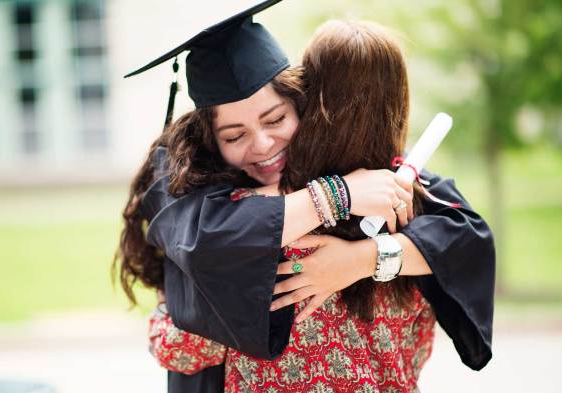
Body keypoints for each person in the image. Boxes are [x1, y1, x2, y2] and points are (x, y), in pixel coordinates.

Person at [116, 2, 495, 391]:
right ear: (209, 140)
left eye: (276, 119)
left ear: (304, 105)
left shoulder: (382, 184)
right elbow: (180, 336)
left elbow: (465, 238)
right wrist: (336, 195)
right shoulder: (195, 205)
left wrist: (361, 259)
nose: (262, 145)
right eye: (234, 136)